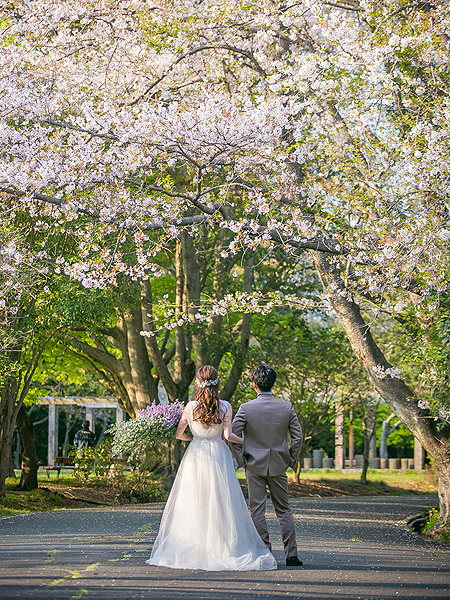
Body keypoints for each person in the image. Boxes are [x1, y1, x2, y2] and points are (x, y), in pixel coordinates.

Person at [146, 365, 277, 571]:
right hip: (218, 455)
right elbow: (228, 435)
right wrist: (246, 442)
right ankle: (221, 544)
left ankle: (193, 544)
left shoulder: (189, 407)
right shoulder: (225, 405)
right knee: (220, 499)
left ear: (197, 383)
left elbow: (179, 434)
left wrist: (195, 438)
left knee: (194, 499)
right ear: (217, 382)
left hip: (196, 454)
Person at [231, 364, 303, 567]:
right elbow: (297, 438)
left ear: (254, 384)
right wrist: (291, 459)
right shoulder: (286, 407)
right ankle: (292, 554)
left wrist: (241, 460)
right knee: (284, 510)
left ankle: (264, 552)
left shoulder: (246, 408)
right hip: (279, 464)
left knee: (257, 510)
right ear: (273, 383)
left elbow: (233, 436)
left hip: (253, 464)